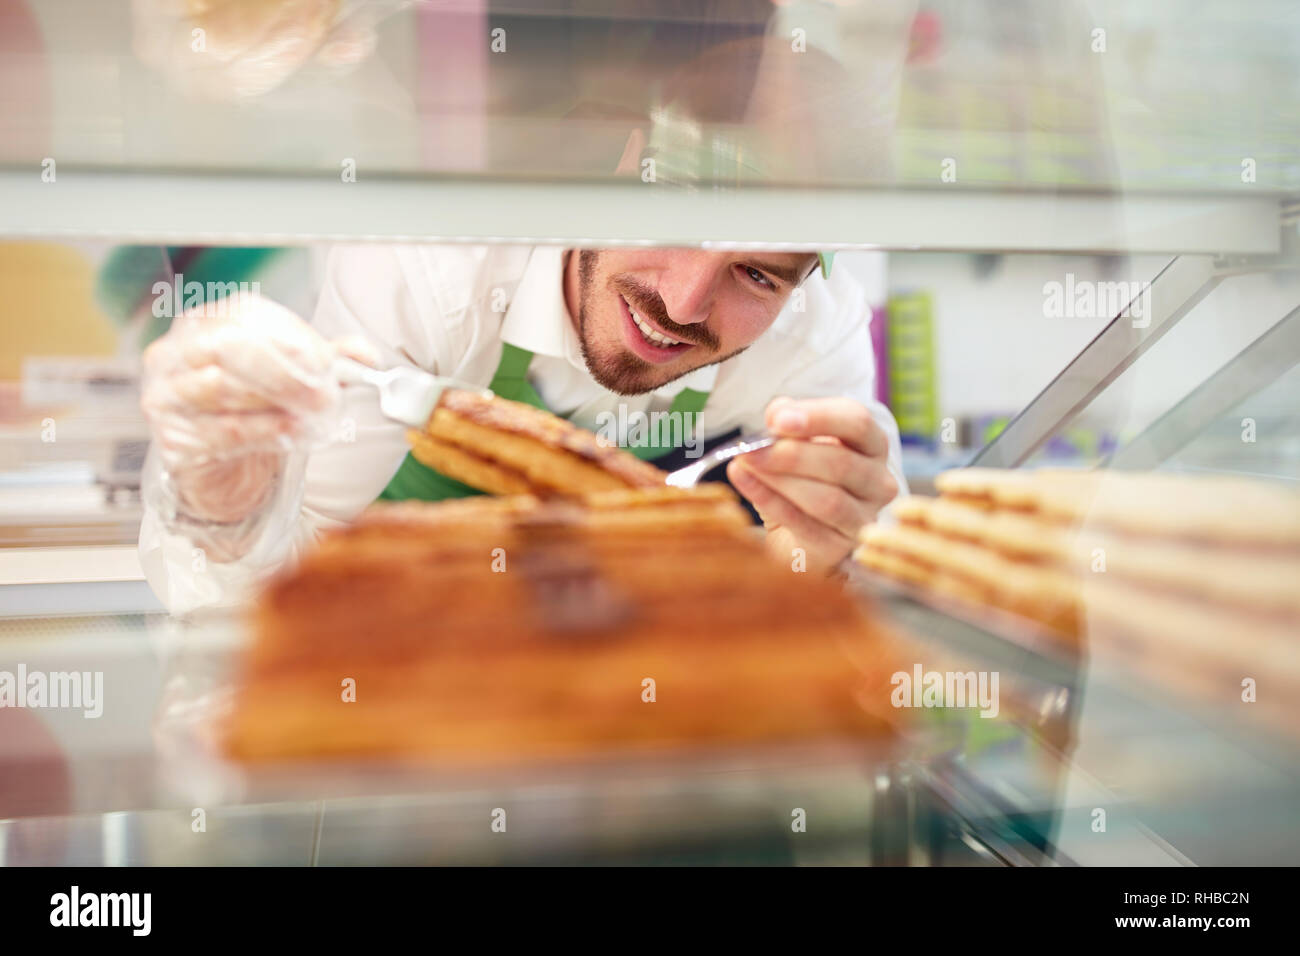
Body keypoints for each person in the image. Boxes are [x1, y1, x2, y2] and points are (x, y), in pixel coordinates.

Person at [138, 244, 905, 611]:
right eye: (677, 221)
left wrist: (825, 573)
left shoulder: (810, 341)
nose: (684, 301)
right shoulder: (423, 271)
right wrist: (225, 502)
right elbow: (262, 602)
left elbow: (846, 641)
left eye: (756, 274)